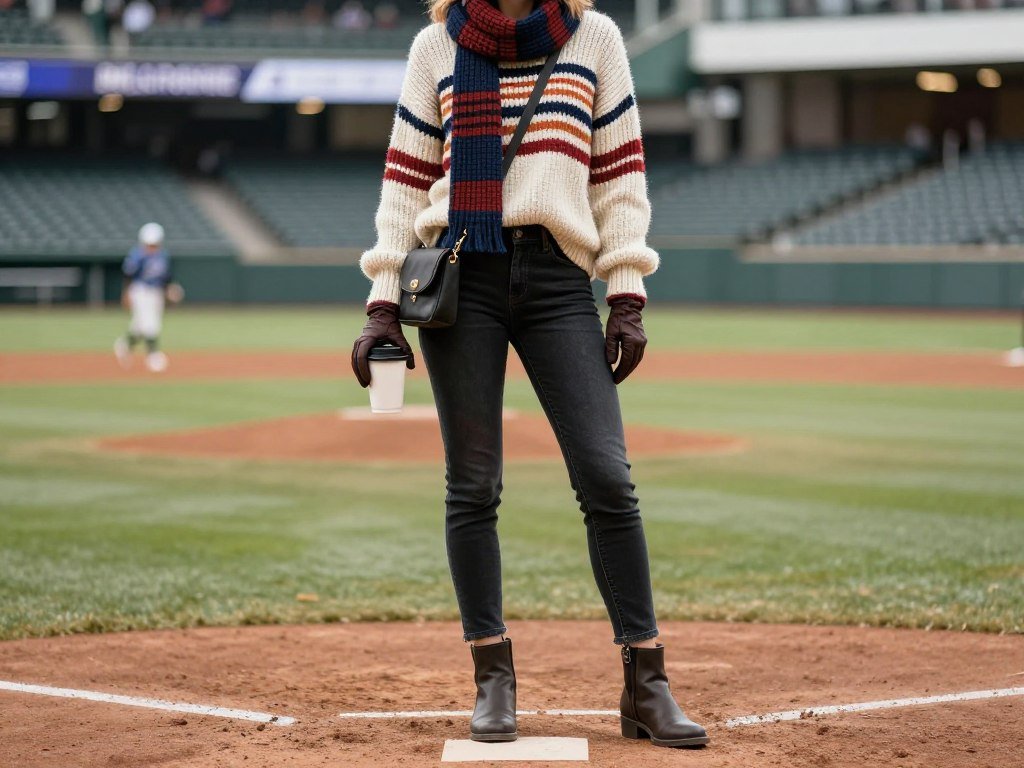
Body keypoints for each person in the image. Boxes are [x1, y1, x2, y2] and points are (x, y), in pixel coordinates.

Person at [350, 0, 709, 750]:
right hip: (461, 277)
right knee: (473, 485)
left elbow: (620, 177)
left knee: (608, 477)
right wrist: (383, 306)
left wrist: (627, 292)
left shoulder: (596, 38)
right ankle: (493, 679)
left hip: (555, 280)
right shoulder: (434, 49)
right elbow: (404, 185)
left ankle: (647, 683)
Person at [114, 222, 182, 373]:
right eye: (150, 244)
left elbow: (166, 277)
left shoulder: (163, 256)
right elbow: (128, 275)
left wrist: (170, 290)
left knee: (139, 326)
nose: (152, 247)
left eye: (155, 244)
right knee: (151, 324)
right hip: (140, 290)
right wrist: (126, 293)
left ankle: (125, 344)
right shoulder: (137, 255)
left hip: (156, 291)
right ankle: (153, 356)